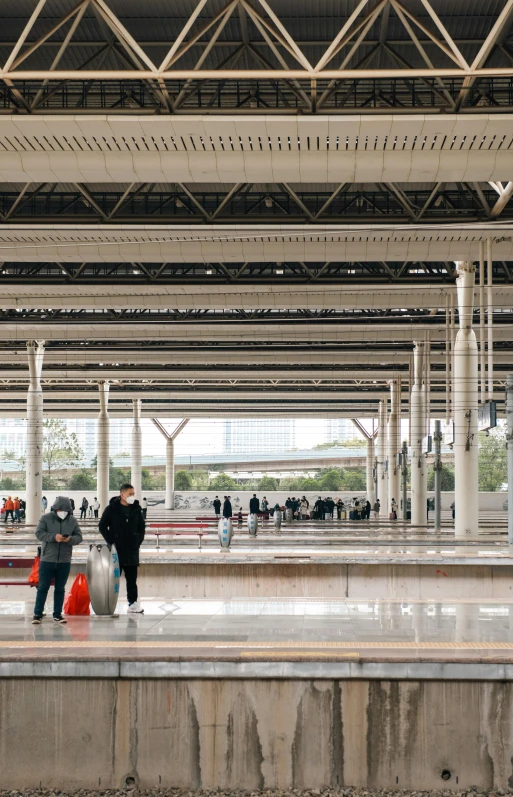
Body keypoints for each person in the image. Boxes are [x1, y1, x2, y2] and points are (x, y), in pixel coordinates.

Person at [32, 496, 82, 625]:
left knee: (60, 588)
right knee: (43, 587)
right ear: (55, 508)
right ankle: (37, 613)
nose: (63, 512)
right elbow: (39, 533)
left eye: (66, 510)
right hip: (47, 559)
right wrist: (54, 537)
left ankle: (57, 614)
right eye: (60, 509)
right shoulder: (45, 519)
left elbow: (79, 537)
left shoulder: (72, 521)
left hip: (64, 560)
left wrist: (69, 539)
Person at [99, 483, 145, 614]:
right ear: (122, 494)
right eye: (130, 494)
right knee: (113, 578)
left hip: (132, 550)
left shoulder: (136, 509)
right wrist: (111, 541)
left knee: (132, 579)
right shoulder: (111, 509)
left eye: (133, 494)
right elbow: (102, 526)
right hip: (116, 551)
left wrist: (138, 541)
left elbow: (141, 527)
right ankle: (108, 602)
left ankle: (133, 603)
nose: (132, 496)